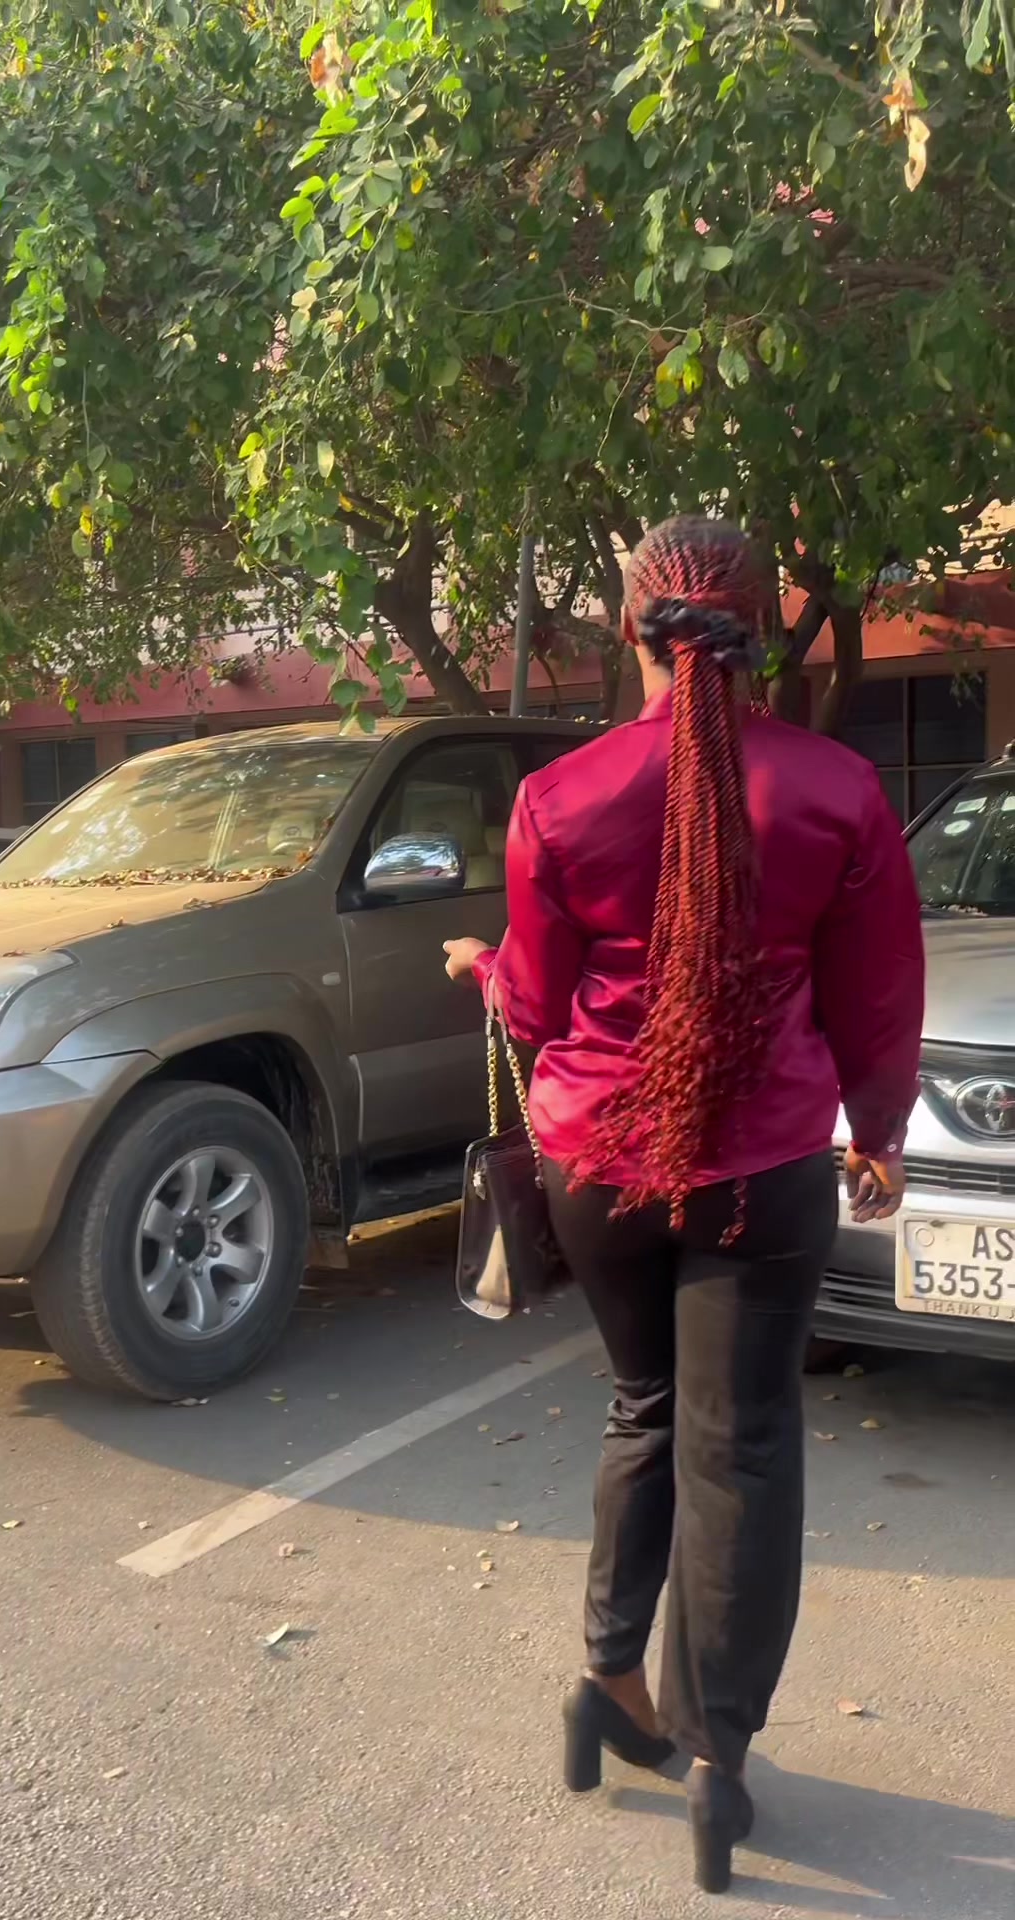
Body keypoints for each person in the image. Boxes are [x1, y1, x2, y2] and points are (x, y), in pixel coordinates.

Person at [443, 516, 924, 1894]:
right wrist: (878, 1133)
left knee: (644, 1409)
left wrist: (482, 967)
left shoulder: (561, 797)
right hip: (761, 1171)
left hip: (597, 1163)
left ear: (632, 630)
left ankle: (611, 1680)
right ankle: (716, 1757)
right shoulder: (836, 790)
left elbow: (540, 1003)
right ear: (758, 629)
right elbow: (877, 994)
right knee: (743, 1447)